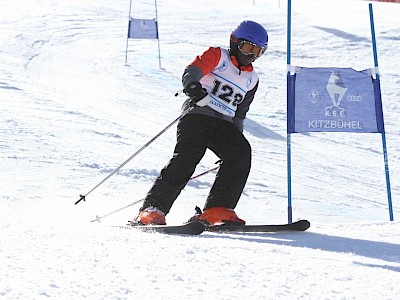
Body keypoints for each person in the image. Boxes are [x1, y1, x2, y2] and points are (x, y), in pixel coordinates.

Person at [134, 20, 268, 226]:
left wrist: (237, 136)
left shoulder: (252, 79)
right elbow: (194, 70)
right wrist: (193, 88)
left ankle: (217, 209)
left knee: (240, 154)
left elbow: (241, 112)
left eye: (257, 51)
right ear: (234, 42)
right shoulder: (218, 56)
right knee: (187, 158)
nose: (251, 55)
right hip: (198, 115)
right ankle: (153, 210)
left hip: (224, 125)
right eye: (248, 47)